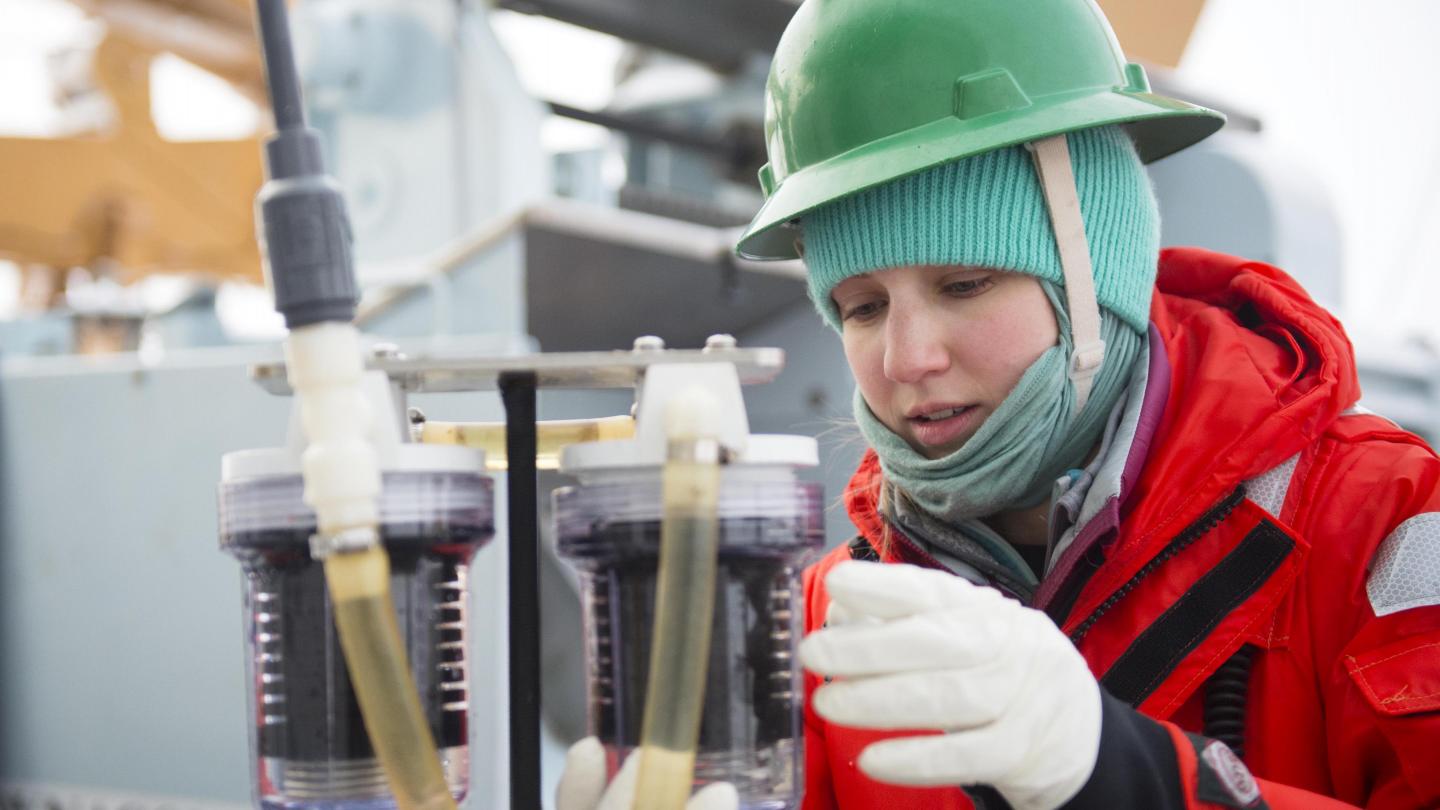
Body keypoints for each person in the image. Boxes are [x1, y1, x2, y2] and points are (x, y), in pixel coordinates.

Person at [560, 1, 1440, 808]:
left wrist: (1132, 775)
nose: (908, 358)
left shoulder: (1383, 524)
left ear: (1099, 272)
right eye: (862, 307)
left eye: (965, 282)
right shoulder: (830, 621)